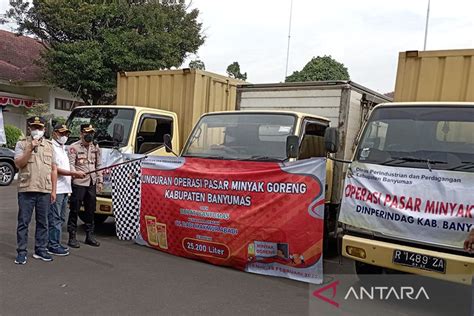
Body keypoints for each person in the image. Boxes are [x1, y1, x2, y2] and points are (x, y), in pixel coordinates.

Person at [14, 116, 57, 264]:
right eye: (34, 127)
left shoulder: (51, 146)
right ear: (29, 129)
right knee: (23, 222)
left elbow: (53, 169)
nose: (37, 130)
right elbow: (19, 164)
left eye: (39, 128)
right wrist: (30, 148)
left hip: (44, 189)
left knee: (43, 222)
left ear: (45, 129)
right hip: (26, 189)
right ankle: (21, 252)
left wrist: (53, 190)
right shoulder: (22, 144)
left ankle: (41, 250)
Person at [48, 124, 86, 256]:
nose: (64, 136)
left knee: (61, 218)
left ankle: (56, 242)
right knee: (55, 218)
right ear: (54, 133)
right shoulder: (51, 147)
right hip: (56, 189)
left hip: (65, 188)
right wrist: (73, 174)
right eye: (61, 133)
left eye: (66, 134)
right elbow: (54, 169)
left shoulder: (63, 148)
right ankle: (52, 244)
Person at [67, 124, 103, 248]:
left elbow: (98, 165)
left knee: (90, 210)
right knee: (75, 209)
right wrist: (75, 174)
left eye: (92, 133)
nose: (90, 135)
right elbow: (71, 164)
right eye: (87, 132)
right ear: (81, 133)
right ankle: (72, 236)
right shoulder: (74, 147)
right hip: (79, 183)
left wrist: (100, 181)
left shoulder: (96, 147)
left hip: (91, 183)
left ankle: (89, 236)